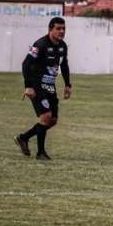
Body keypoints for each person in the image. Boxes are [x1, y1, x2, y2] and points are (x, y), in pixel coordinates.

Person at [14, 17, 71, 160]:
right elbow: (25, 64)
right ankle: (40, 153)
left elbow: (64, 65)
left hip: (49, 85)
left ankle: (23, 138)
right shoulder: (39, 44)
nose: (62, 31)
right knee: (46, 117)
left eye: (63, 28)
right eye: (58, 28)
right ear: (50, 29)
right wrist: (28, 86)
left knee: (53, 120)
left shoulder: (63, 46)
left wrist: (68, 84)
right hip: (36, 84)